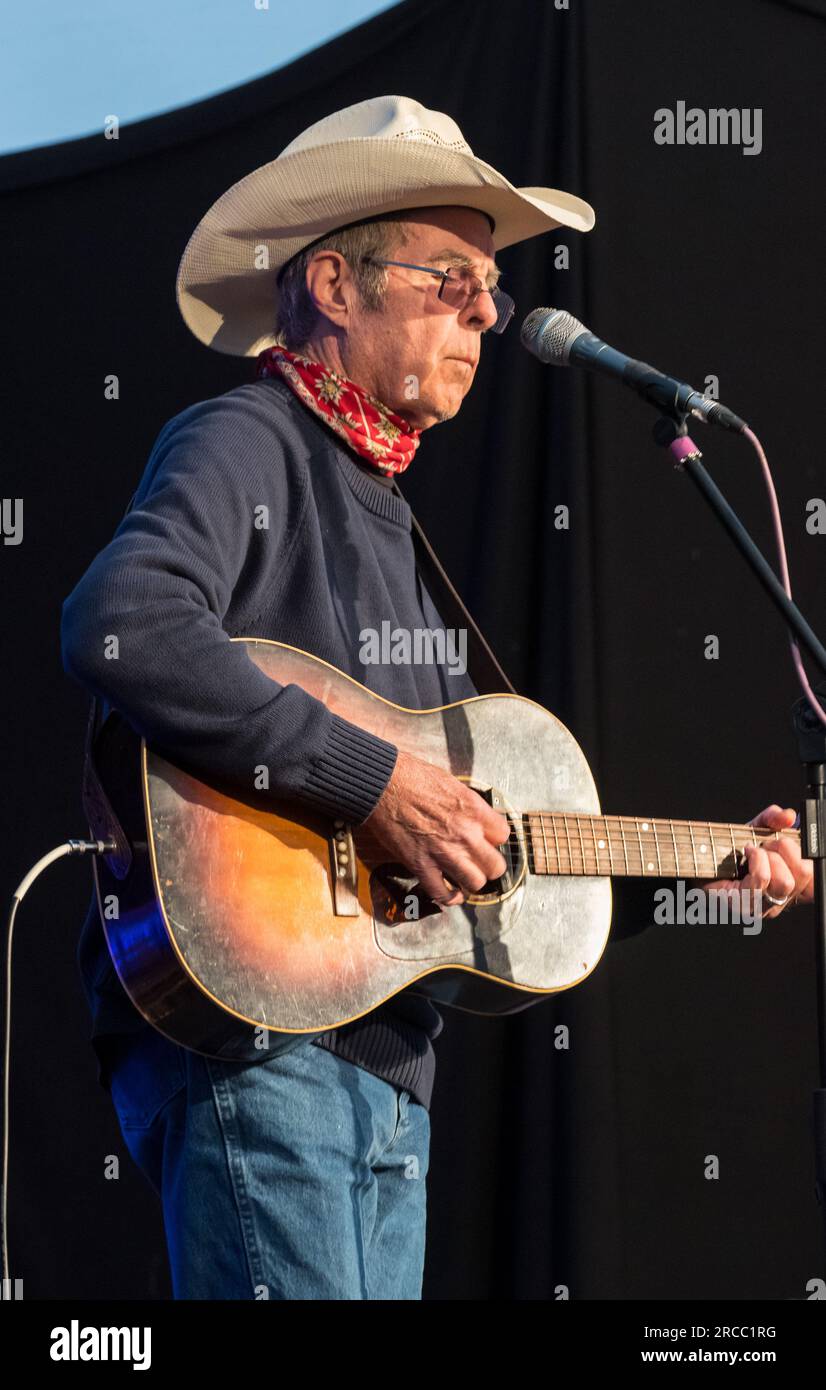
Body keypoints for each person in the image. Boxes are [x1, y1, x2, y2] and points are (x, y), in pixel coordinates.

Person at [60, 95, 814, 1301]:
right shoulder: (247, 440)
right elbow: (121, 620)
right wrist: (375, 781)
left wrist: (710, 870)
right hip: (262, 1043)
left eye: (493, 287)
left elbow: (480, 846)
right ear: (332, 287)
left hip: (385, 1068)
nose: (487, 309)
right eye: (451, 276)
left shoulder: (394, 521)